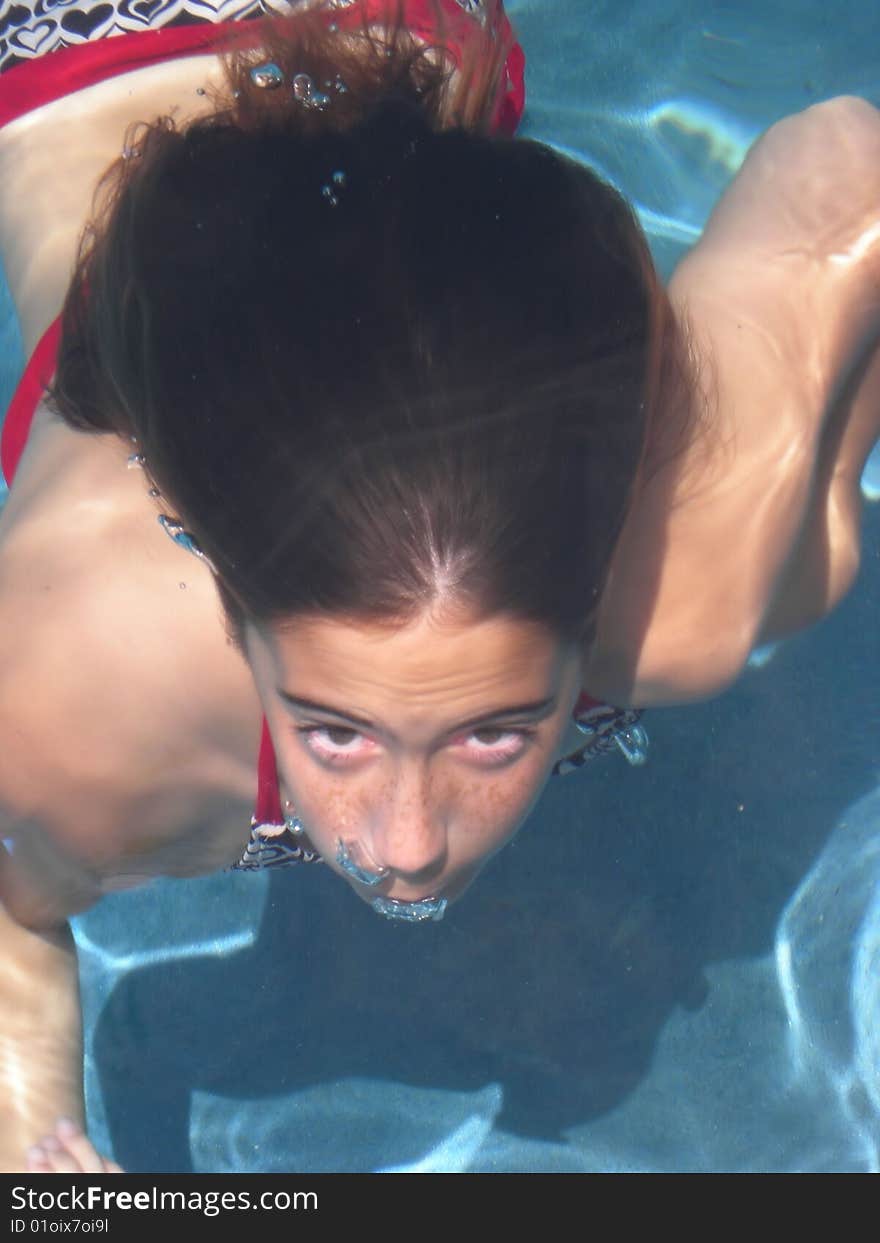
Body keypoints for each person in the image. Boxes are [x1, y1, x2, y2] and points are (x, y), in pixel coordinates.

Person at [0, 0, 877, 1174]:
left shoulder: (690, 587)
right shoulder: (66, 703)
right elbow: (15, 904)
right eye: (334, 732)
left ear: (588, 627)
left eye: (493, 736)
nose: (404, 850)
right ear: (229, 608)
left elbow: (850, 167)